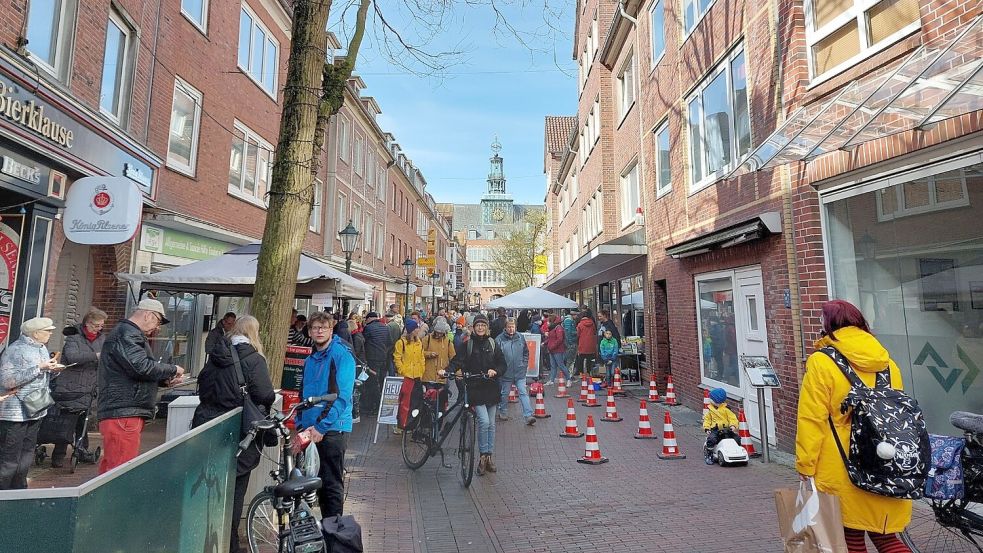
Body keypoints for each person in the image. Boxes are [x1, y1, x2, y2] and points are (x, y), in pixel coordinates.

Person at [796, 300, 913, 553]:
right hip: (885, 461)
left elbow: (812, 418)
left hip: (843, 465)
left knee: (851, 537)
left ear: (828, 325)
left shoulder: (821, 361)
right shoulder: (887, 363)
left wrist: (805, 464)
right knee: (885, 537)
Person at [191, 316, 275, 553]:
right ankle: (230, 544)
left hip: (207, 426)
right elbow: (266, 394)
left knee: (209, 484)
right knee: (236, 488)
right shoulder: (254, 359)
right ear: (253, 333)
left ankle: (204, 537)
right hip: (238, 430)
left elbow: (203, 389)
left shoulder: (215, 356)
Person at [98, 298, 184, 474]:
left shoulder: (127, 333)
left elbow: (134, 369)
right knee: (120, 470)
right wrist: (172, 369)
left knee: (114, 466)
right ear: (148, 315)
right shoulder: (127, 334)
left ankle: (108, 500)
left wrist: (164, 380)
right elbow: (141, 366)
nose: (157, 327)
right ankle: (116, 501)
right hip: (124, 411)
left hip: (124, 409)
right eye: (158, 321)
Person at [295, 312, 356, 519]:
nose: (319, 331)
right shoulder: (310, 359)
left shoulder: (340, 354)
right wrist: (300, 424)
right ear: (310, 331)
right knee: (316, 482)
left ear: (331, 330)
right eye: (315, 327)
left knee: (331, 484)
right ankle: (325, 528)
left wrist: (321, 427)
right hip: (312, 429)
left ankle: (335, 532)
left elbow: (341, 395)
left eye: (324, 327)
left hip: (332, 429)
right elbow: (304, 394)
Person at [0, 317, 61, 489]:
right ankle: (3, 494)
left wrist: (53, 370)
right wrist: (39, 368)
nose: (50, 333)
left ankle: (20, 491)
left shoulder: (41, 348)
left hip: (36, 409)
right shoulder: (15, 350)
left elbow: (41, 377)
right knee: (9, 457)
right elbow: (7, 381)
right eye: (47, 330)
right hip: (15, 413)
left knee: (26, 455)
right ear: (35, 333)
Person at [444, 314, 503, 475]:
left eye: (483, 325)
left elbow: (502, 363)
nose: (480, 328)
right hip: (475, 388)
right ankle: (483, 456)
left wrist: (495, 371)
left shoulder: (493, 344)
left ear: (487, 327)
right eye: (478, 325)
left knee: (491, 424)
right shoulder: (467, 344)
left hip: (491, 388)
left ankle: (489, 457)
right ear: (473, 327)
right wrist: (448, 370)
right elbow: (458, 361)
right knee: (483, 422)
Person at [50, 307, 107, 468]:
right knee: (67, 420)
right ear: (88, 323)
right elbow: (72, 356)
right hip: (71, 386)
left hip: (89, 385)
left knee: (84, 420)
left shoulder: (102, 339)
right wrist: (95, 356)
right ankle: (58, 456)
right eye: (96, 325)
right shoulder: (74, 337)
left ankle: (81, 451)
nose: (99, 329)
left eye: (101, 326)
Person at [496, 318, 534, 425]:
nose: (511, 329)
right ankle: (503, 411)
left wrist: (524, 364)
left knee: (523, 392)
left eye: (513, 327)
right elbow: (496, 356)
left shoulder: (520, 337)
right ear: (505, 327)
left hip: (519, 371)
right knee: (504, 393)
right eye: (509, 327)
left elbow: (526, 352)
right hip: (506, 372)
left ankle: (528, 415)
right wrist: (500, 368)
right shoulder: (499, 339)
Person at [361, 312, 392, 414]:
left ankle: (375, 406)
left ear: (370, 318)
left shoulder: (368, 328)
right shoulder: (385, 327)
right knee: (380, 381)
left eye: (366, 318)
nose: (365, 320)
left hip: (372, 359)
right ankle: (379, 404)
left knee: (372, 382)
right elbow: (389, 343)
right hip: (383, 358)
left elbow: (363, 342)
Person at [422, 320, 456, 407]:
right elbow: (420, 353)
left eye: (441, 333)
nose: (439, 335)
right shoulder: (427, 339)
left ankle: (440, 415)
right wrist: (429, 354)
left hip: (442, 375)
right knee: (430, 400)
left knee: (441, 400)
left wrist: (457, 372)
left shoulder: (447, 342)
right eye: (437, 332)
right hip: (428, 375)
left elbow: (454, 357)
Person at [702, 388, 738, 464]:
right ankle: (709, 454)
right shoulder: (710, 410)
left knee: (736, 438)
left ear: (715, 400)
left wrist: (733, 426)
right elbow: (707, 420)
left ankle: (736, 451)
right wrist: (707, 428)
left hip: (726, 429)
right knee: (711, 439)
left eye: (711, 398)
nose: (709, 399)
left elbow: (733, 418)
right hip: (715, 429)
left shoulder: (726, 409)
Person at [544, 315, 568, 385]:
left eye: (549, 321)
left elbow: (560, 339)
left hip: (557, 350)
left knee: (561, 365)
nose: (548, 322)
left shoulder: (558, 328)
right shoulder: (554, 328)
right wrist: (544, 343)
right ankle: (552, 380)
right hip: (552, 349)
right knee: (553, 366)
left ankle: (568, 379)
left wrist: (551, 346)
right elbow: (551, 338)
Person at [575, 312, 598, 380]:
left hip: (582, 343)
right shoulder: (592, 323)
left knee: (581, 359)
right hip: (591, 343)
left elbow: (578, 334)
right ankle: (588, 372)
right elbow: (594, 332)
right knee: (589, 359)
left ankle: (581, 373)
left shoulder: (580, 324)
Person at [562, 310, 578, 374]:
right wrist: (571, 342)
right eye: (576, 315)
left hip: (569, 342)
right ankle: (568, 374)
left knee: (569, 359)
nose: (577, 316)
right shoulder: (569, 321)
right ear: (573, 314)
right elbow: (568, 332)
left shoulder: (568, 320)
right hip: (571, 343)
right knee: (570, 359)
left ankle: (568, 373)